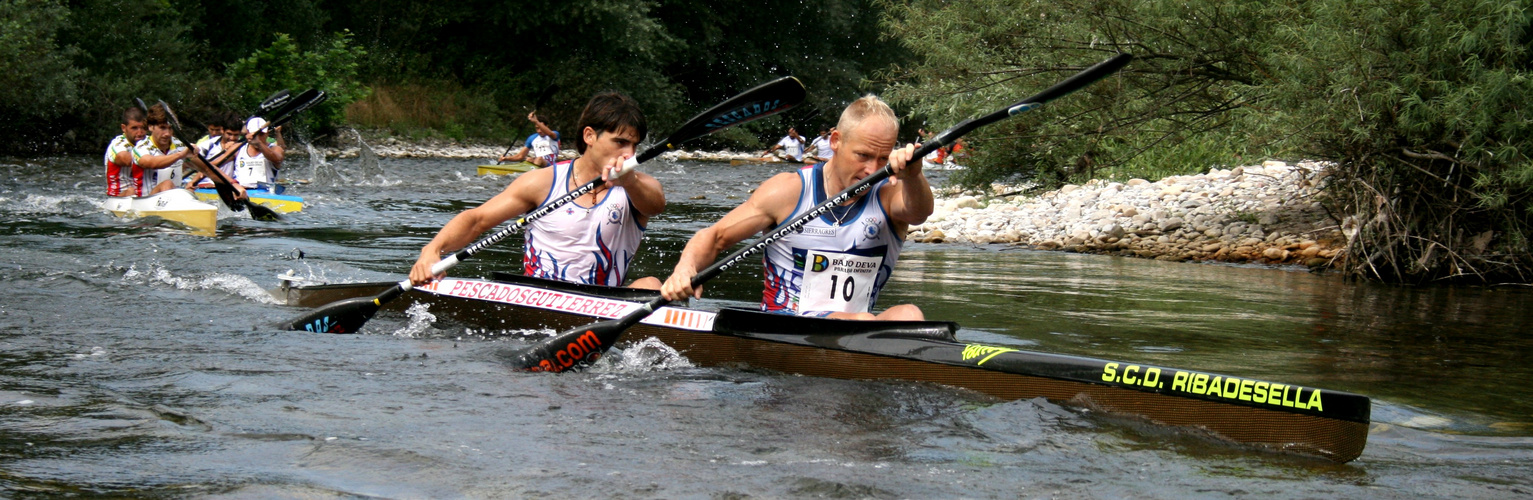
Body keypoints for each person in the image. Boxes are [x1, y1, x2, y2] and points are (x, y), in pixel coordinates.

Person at [661, 95, 932, 320]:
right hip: (785, 331)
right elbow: (715, 237)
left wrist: (914, 174)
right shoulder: (788, 191)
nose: (872, 169)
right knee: (862, 320)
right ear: (836, 141)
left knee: (909, 314)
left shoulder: (891, 191)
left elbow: (919, 213)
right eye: (863, 155)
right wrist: (685, 268)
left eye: (883, 158)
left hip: (858, 332)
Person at [411, 91, 666, 289]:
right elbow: (476, 220)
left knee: (651, 285)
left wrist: (629, 181)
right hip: (538, 295)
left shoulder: (638, 187)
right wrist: (431, 251)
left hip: (602, 305)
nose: (629, 154)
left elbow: (656, 205)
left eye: (634, 146)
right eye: (620, 142)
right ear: (589, 136)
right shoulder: (542, 182)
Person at [132, 103, 193, 196]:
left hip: (170, 198)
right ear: (150, 127)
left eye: (170, 128)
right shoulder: (141, 147)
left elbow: (207, 169)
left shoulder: (179, 145)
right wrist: (181, 155)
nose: (167, 134)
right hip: (145, 201)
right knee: (167, 183)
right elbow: (152, 163)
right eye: (162, 128)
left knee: (189, 192)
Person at [232, 116, 286, 194]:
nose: (258, 138)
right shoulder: (237, 149)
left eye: (262, 134)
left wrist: (259, 144)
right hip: (241, 192)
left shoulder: (275, 149)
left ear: (267, 133)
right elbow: (214, 166)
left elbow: (277, 159)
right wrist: (231, 183)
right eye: (255, 135)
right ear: (248, 133)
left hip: (267, 193)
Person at [104, 107, 148, 197]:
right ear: (124, 128)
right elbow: (130, 160)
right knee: (132, 191)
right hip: (119, 197)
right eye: (134, 128)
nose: (140, 133)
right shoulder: (117, 145)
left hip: (143, 194)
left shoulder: (149, 141)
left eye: (143, 128)